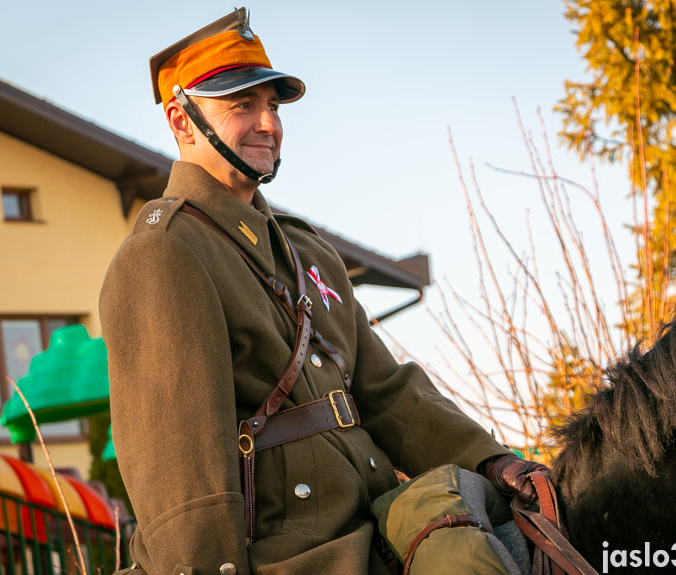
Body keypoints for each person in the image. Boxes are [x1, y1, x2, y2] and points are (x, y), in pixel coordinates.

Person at [100, 8, 549, 575]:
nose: (268, 123)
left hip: (378, 520)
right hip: (292, 556)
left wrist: (492, 461)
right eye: (243, 105)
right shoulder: (165, 254)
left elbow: (386, 391)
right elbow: (181, 469)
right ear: (181, 121)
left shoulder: (305, 250)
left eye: (273, 106)